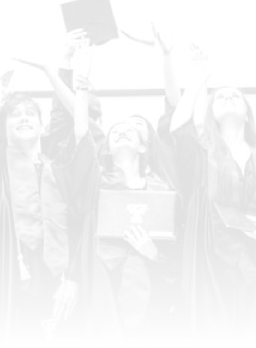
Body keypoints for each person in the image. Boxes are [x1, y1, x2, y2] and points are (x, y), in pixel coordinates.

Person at [49, 35, 179, 340]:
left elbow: (178, 255)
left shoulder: (162, 191)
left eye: (131, 130)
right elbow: (81, 134)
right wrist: (82, 83)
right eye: (115, 130)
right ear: (106, 145)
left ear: (145, 146)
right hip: (101, 282)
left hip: (148, 293)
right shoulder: (97, 185)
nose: (122, 132)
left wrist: (153, 253)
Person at [167, 37, 256, 339]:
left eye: (236, 96)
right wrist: (200, 77)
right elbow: (178, 128)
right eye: (220, 97)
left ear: (248, 112)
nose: (227, 98)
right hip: (213, 261)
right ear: (210, 113)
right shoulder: (203, 156)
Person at [0, 61, 78, 340]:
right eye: (15, 115)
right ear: (4, 127)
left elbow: (67, 121)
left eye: (30, 114)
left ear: (42, 125)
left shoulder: (57, 169)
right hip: (12, 276)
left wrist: (75, 276)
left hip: (56, 279)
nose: (24, 118)